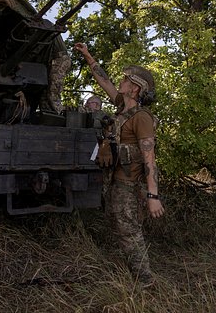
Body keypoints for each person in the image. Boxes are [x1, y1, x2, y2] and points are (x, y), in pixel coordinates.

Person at [74, 42, 165, 287]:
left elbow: (150, 159)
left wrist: (152, 195)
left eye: (125, 80)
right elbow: (103, 80)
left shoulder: (141, 118)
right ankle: (135, 271)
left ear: (135, 89)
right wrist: (88, 55)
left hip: (128, 184)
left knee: (129, 230)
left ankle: (146, 280)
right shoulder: (121, 107)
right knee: (119, 224)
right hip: (115, 180)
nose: (120, 82)